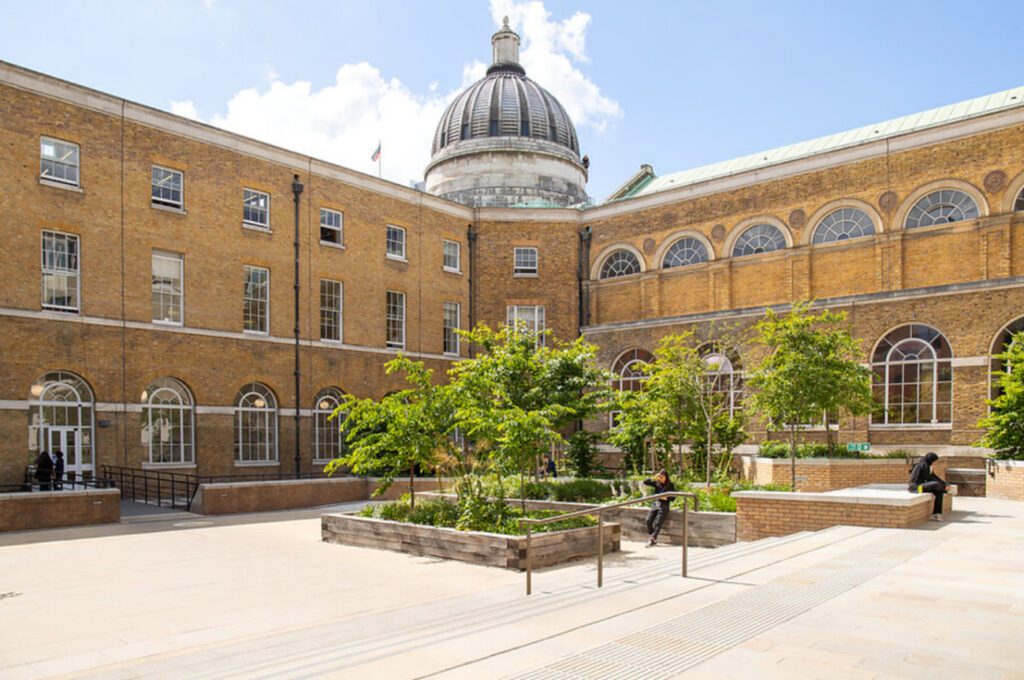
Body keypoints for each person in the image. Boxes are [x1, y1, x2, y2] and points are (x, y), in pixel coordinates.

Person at [908, 452, 946, 520]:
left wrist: (944, 484)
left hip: (922, 485)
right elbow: (928, 478)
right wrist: (942, 486)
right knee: (936, 484)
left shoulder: (928, 466)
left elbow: (934, 476)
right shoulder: (923, 465)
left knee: (939, 492)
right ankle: (944, 490)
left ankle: (936, 514)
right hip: (917, 487)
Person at [643, 469, 674, 546]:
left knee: (658, 522)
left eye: (662, 477)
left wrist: (665, 498)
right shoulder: (657, 483)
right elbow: (645, 482)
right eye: (659, 477)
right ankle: (652, 537)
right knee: (648, 520)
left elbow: (673, 498)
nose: (661, 479)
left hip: (664, 505)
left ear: (666, 477)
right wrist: (654, 477)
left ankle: (653, 538)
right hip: (656, 504)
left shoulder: (670, 485)